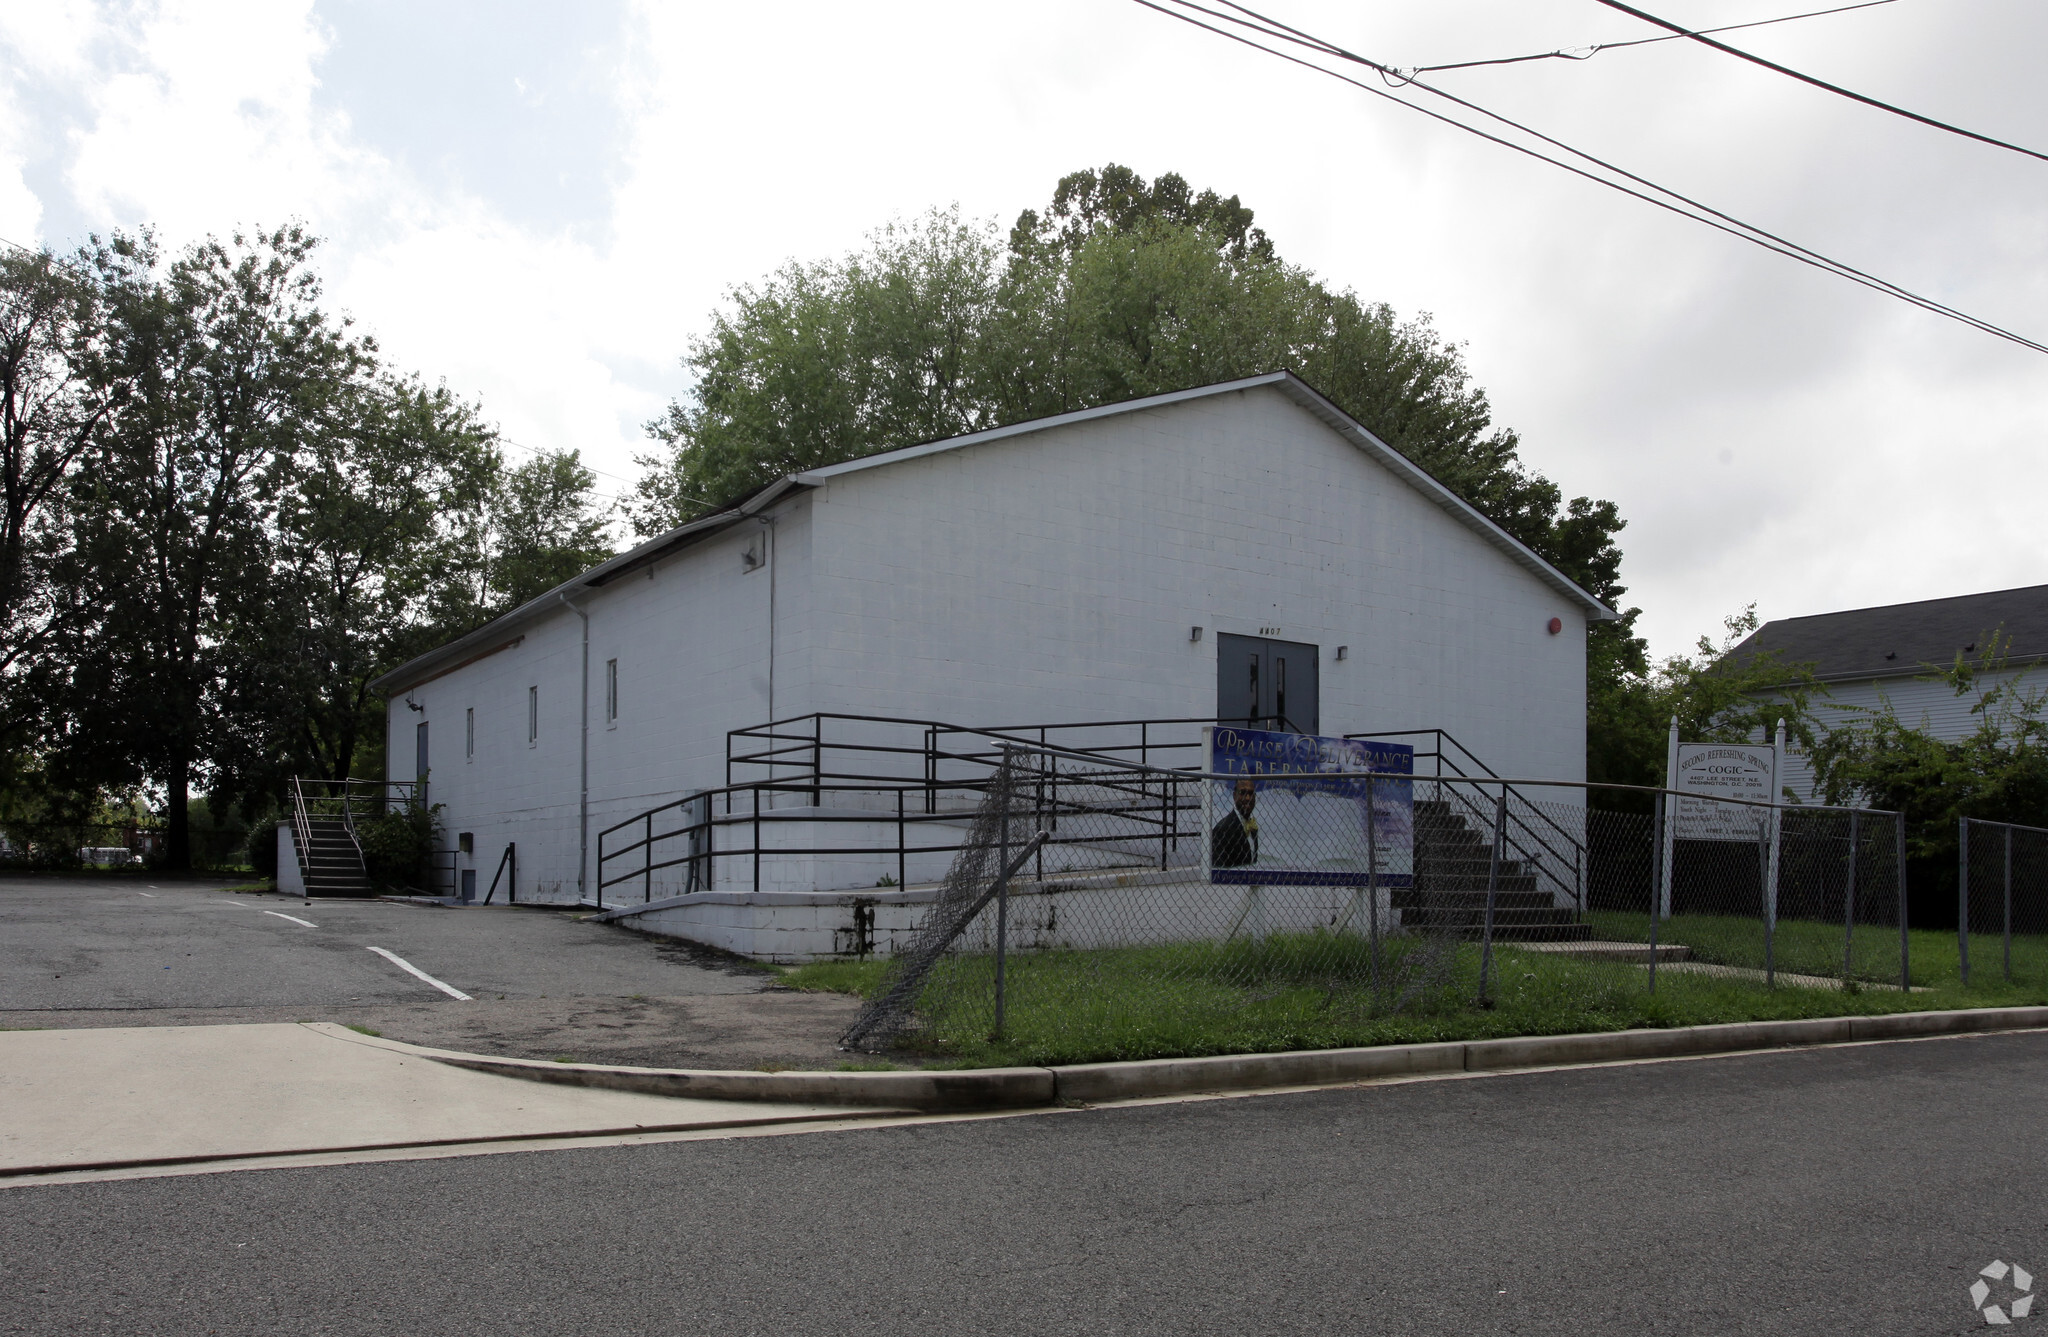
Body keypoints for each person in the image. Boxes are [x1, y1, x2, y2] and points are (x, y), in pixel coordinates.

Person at [1210, 776, 1260, 868]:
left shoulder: (1253, 827)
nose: (1248, 798)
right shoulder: (1222, 829)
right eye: (1242, 792)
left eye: (1251, 793)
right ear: (1234, 796)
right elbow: (1218, 868)